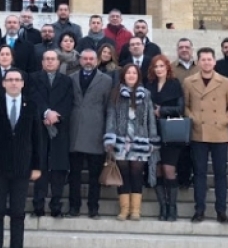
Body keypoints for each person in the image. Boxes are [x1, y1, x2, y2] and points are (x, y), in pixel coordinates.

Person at [0, 68, 44, 248]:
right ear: (4, 83)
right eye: (10, 80)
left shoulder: (31, 105)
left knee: (17, 212)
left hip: (22, 167)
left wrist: (37, 166)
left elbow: (36, 137)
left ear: (23, 83)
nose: (14, 83)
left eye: (17, 80)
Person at [183, 47, 228, 223]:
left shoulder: (225, 82)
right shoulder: (188, 81)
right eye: (203, 59)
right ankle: (199, 209)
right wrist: (192, 118)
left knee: (220, 174)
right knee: (199, 174)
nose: (207, 62)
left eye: (209, 59)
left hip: (220, 133)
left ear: (214, 61)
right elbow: (185, 105)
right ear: (198, 62)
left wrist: (225, 120)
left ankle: (221, 210)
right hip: (198, 133)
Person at [104, 63, 158, 221]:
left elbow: (151, 119)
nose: (131, 76)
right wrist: (110, 137)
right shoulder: (115, 94)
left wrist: (152, 139)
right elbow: (111, 117)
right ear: (123, 76)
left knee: (136, 174)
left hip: (139, 141)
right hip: (120, 141)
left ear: (138, 76)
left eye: (134, 73)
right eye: (128, 73)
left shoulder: (146, 94)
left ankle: (135, 210)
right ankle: (124, 209)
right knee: (123, 175)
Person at [67, 49, 113, 218]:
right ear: (80, 60)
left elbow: (109, 107)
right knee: (74, 174)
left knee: (95, 175)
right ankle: (74, 206)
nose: (88, 61)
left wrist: (109, 132)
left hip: (96, 131)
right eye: (84, 58)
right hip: (75, 130)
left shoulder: (106, 80)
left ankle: (93, 207)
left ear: (97, 61)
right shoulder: (71, 78)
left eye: (91, 59)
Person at [29, 49, 74, 218]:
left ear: (58, 62)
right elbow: (33, 98)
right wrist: (46, 112)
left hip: (59, 129)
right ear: (42, 62)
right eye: (46, 59)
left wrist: (56, 116)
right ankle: (38, 206)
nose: (49, 62)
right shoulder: (33, 78)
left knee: (59, 169)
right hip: (39, 128)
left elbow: (69, 101)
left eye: (52, 59)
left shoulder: (67, 81)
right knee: (40, 167)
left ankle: (56, 206)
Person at [146, 55, 183, 222]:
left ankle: (172, 206)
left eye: (161, 66)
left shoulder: (175, 84)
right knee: (158, 169)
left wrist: (162, 111)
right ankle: (163, 206)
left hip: (171, 132)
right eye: (156, 66)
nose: (159, 69)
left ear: (167, 67)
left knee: (169, 169)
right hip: (152, 132)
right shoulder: (149, 85)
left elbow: (180, 108)